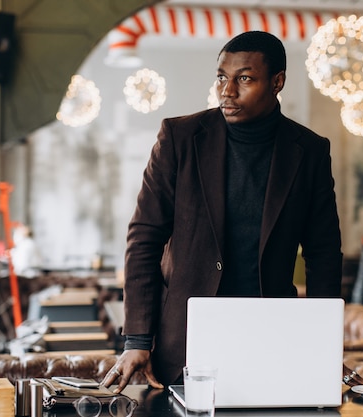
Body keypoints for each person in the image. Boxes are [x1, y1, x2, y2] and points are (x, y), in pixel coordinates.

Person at [101, 31, 343, 393]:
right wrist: (137, 338)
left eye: (244, 78)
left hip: (271, 335)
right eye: (221, 77)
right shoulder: (179, 138)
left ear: (277, 82)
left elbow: (323, 253)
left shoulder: (308, 150)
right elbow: (144, 238)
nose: (227, 91)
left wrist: (323, 343)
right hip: (182, 338)